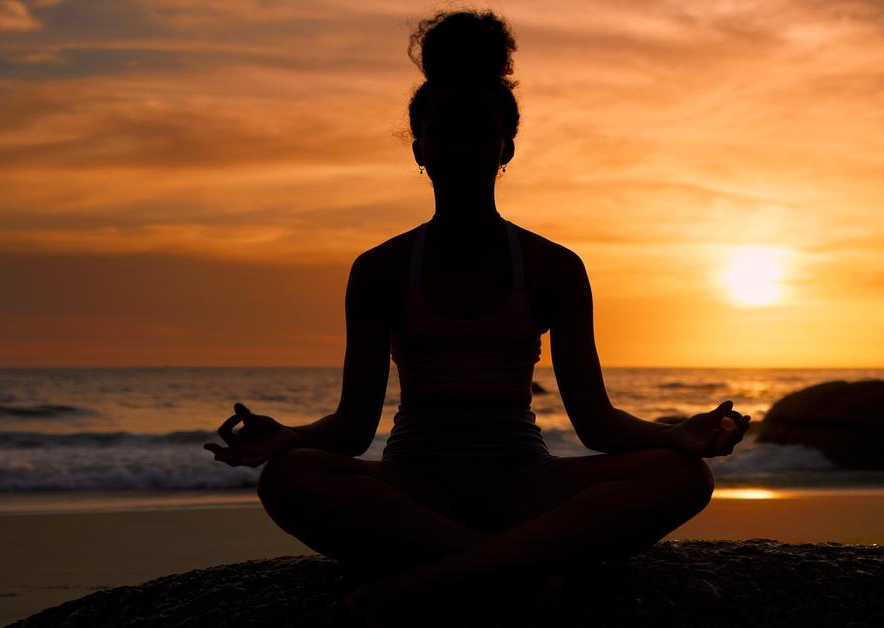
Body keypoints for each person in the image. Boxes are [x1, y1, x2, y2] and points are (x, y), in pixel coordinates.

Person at [204, 9, 750, 626]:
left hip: (523, 485)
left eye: (478, 130)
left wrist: (672, 437)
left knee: (682, 478)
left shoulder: (553, 267)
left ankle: (438, 579)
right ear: (420, 145)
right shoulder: (381, 268)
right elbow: (355, 429)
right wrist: (289, 439)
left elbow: (595, 423)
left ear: (506, 144)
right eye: (445, 131)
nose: (461, 147)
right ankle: (519, 568)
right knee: (288, 479)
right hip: (415, 487)